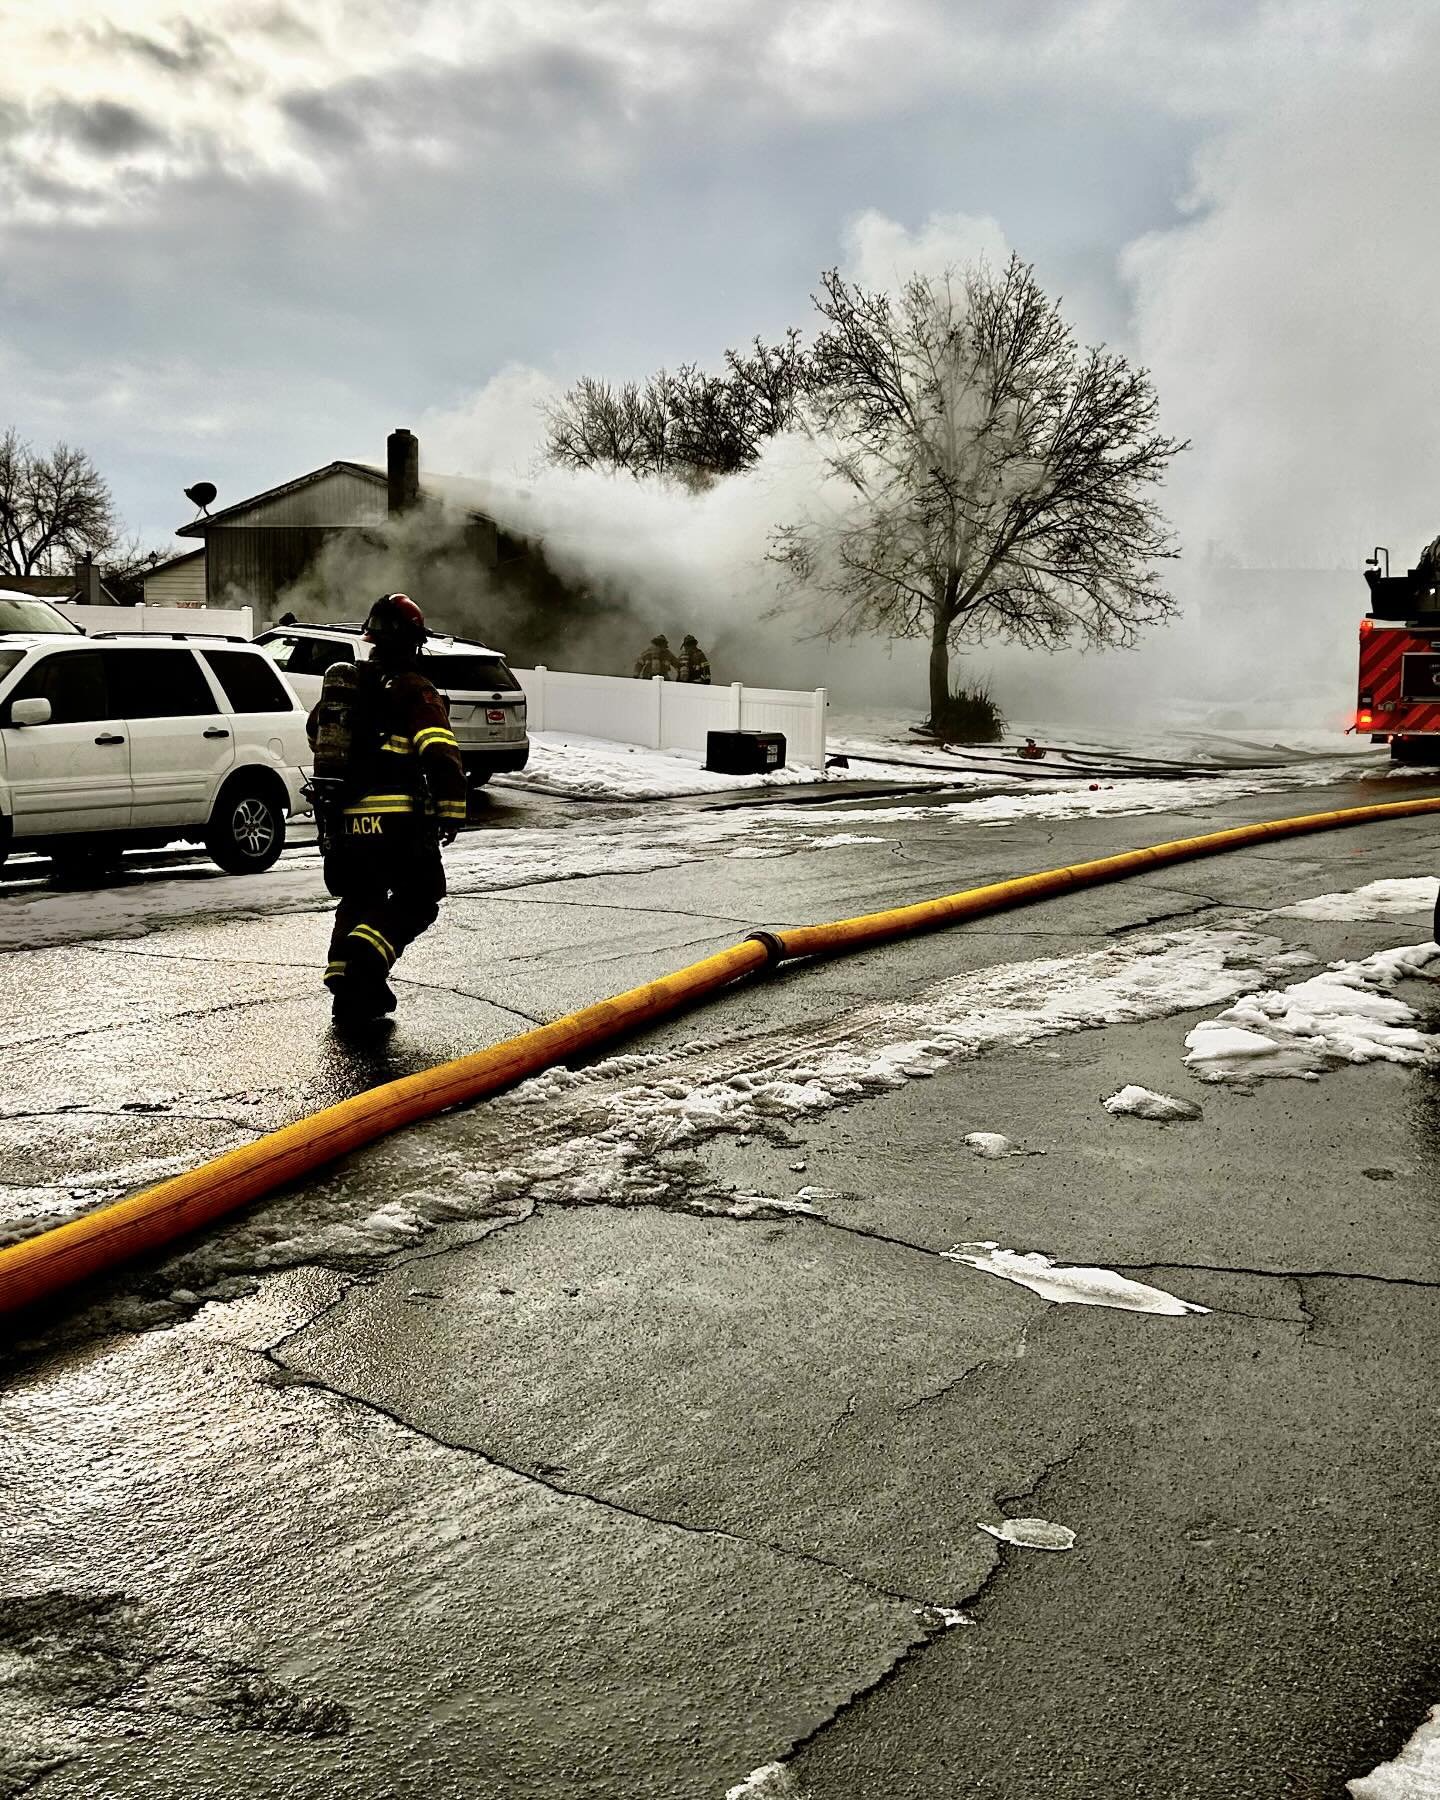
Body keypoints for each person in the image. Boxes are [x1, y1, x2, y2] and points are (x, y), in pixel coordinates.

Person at [308, 592, 467, 1020]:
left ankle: (351, 988)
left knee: (361, 896)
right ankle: (365, 957)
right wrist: (452, 809)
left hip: (345, 818)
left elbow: (316, 730)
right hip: (399, 819)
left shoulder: (350, 686)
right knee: (420, 896)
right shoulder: (414, 688)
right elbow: (439, 750)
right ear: (416, 641)